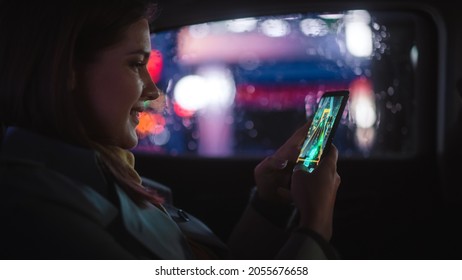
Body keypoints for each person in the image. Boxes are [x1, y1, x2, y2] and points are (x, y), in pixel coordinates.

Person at [0, 0, 341, 259]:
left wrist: (269, 204)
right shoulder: (35, 211)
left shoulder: (114, 173)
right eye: (135, 64)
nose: (151, 90)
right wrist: (314, 228)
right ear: (67, 70)